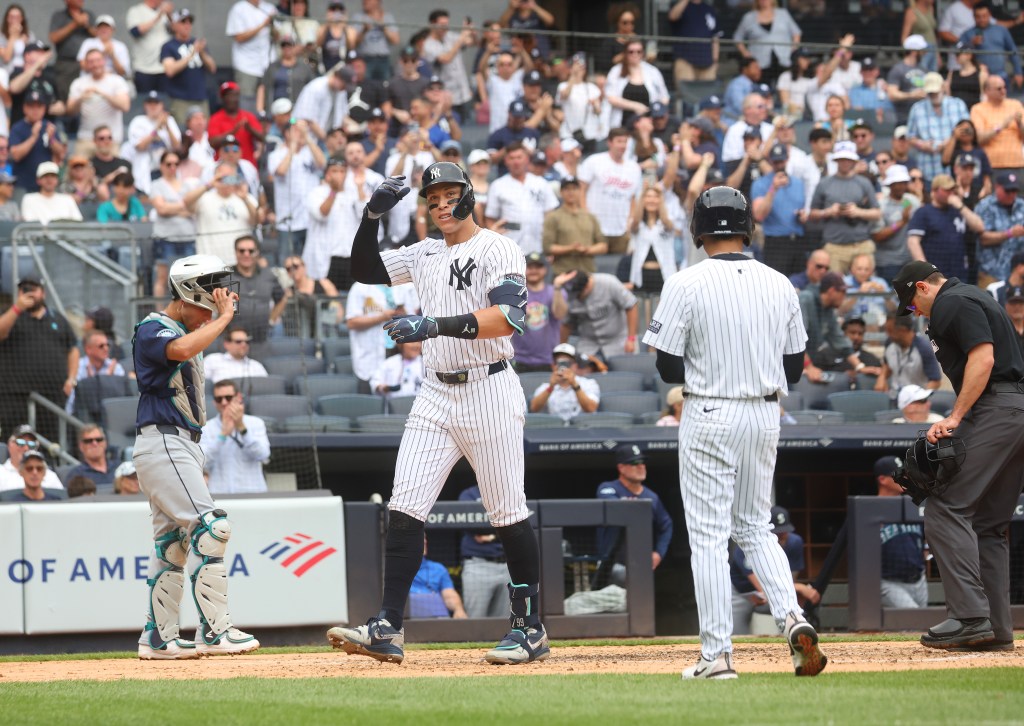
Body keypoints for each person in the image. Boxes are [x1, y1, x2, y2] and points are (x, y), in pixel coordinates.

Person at [327, 163, 549, 666]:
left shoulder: (497, 247)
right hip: (434, 393)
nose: (441, 204)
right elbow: (360, 271)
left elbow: (508, 319)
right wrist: (370, 216)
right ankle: (387, 625)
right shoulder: (425, 251)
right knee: (404, 506)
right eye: (433, 198)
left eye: (450, 194)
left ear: (469, 196)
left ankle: (529, 627)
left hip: (489, 387)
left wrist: (430, 325)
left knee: (507, 511)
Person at [642, 186, 825, 679]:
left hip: (710, 412)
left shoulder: (684, 282)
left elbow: (665, 368)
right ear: (747, 228)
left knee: (708, 535)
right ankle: (792, 617)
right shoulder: (780, 283)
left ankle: (717, 656)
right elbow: (794, 369)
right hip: (766, 414)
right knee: (756, 526)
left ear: (699, 230)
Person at [891, 259, 1024, 650]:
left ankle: (969, 617)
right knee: (987, 523)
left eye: (912, 304)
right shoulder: (973, 295)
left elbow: (983, 359)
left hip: (996, 409)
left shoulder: (952, 301)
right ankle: (997, 629)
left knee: (945, 507)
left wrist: (957, 416)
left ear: (922, 287)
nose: (913, 312)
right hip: (1013, 411)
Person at [133, 253, 259, 659]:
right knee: (211, 529)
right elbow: (179, 348)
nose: (211, 312)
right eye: (205, 303)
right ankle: (215, 631)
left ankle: (159, 638)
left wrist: (215, 318)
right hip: (164, 441)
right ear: (187, 295)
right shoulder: (154, 327)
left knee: (173, 544)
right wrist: (223, 320)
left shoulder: (183, 328)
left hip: (179, 443)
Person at [0, 278, 78, 443]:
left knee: (52, 443)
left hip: (52, 393)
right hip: (15, 395)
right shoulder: (10, 315)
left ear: (43, 292)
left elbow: (73, 349)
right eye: (24, 290)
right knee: (17, 441)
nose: (29, 293)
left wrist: (71, 378)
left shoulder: (57, 319)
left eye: (33, 289)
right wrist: (17, 308)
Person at [731, 506, 818, 635]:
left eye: (785, 530)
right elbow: (762, 587)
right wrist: (799, 587)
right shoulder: (748, 545)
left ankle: (792, 637)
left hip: (770, 592)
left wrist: (797, 593)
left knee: (796, 604)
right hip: (742, 593)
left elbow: (788, 582)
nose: (782, 535)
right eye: (777, 531)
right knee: (736, 636)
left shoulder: (794, 543)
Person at [595, 444, 673, 582]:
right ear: (621, 468)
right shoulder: (608, 488)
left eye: (642, 462)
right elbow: (614, 507)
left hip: (639, 564)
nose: (641, 466)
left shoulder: (652, 497)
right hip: (610, 563)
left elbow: (666, 525)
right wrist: (633, 503)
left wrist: (658, 553)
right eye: (634, 463)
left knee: (640, 603)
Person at [806, 140, 881, 275]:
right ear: (836, 160)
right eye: (841, 159)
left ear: (854, 161)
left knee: (866, 287)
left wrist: (858, 212)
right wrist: (828, 212)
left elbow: (877, 213)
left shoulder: (864, 183)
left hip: (861, 244)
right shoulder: (825, 183)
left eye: (848, 159)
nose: (845, 162)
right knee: (835, 286)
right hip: (835, 246)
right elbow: (812, 214)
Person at [484, 141, 558, 256]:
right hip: (509, 249)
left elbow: (550, 215)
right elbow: (490, 218)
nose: (516, 161)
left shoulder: (541, 183)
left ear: (527, 159)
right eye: (512, 158)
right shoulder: (497, 185)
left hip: (538, 246)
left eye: (519, 157)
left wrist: (550, 245)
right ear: (506, 161)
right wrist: (496, 241)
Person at [905, 173, 984, 280]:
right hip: (936, 274)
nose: (951, 193)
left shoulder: (958, 210)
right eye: (947, 190)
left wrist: (960, 206)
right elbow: (913, 242)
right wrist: (925, 270)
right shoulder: (924, 212)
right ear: (934, 191)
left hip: (959, 274)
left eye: (953, 190)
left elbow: (979, 227)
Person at [873, 455, 928, 608]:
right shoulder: (870, 509)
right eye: (898, 474)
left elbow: (924, 537)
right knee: (915, 620)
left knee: (920, 626)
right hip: (889, 581)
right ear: (883, 479)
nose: (905, 477)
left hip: (918, 580)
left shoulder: (913, 505)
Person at [577, 128, 642, 255]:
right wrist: (585, 215)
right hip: (595, 227)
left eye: (625, 142)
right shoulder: (594, 161)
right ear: (610, 143)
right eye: (619, 141)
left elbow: (633, 197)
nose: (622, 145)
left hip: (621, 229)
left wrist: (631, 219)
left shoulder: (634, 168)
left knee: (619, 268)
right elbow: (581, 189)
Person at [200, 379, 270, 495]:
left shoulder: (256, 423)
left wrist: (242, 428)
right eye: (219, 399)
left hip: (254, 493)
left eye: (228, 397)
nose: (223, 402)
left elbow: (263, 454)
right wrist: (222, 435)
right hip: (220, 494)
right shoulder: (206, 428)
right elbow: (203, 462)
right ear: (214, 402)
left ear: (238, 397)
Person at [184, 162, 259, 266]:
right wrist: (209, 185)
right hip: (209, 263)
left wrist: (245, 198)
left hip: (239, 263)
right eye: (223, 177)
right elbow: (187, 201)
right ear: (215, 177)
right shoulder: (205, 197)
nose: (227, 182)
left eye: (231, 177)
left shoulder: (246, 197)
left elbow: (257, 220)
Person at [800, 272, 869, 378]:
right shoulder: (806, 299)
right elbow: (796, 338)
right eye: (842, 292)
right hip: (784, 363)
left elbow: (840, 341)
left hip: (801, 364)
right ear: (831, 291)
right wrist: (809, 367)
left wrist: (859, 366)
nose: (844, 296)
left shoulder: (828, 310)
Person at [752, 143, 806, 276]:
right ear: (770, 161)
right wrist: (773, 189)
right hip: (775, 242)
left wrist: (803, 215)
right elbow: (759, 215)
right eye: (775, 162)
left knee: (798, 284)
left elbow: (802, 208)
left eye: (781, 161)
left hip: (797, 240)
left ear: (787, 159)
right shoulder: (760, 184)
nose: (779, 165)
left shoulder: (798, 183)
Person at [906, 72, 970, 184]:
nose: (933, 95)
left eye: (936, 92)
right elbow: (910, 137)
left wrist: (950, 141)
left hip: (955, 166)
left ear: (943, 87)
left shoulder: (958, 104)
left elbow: (968, 130)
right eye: (930, 93)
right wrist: (922, 144)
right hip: (927, 166)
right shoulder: (917, 109)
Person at [562, 269, 639, 359]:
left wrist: (631, 339)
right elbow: (566, 324)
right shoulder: (570, 295)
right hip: (588, 344)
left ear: (586, 287)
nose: (576, 298)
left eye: (578, 295)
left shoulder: (608, 283)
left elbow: (631, 306)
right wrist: (563, 349)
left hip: (618, 341)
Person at [150, 151, 197, 297]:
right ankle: (158, 315)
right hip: (165, 239)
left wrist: (171, 207)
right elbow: (161, 209)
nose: (172, 167)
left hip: (187, 238)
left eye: (176, 164)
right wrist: (183, 206)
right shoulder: (157, 185)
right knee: (162, 278)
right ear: (162, 166)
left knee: (189, 279)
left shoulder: (187, 185)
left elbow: (193, 210)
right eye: (168, 164)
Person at [458, 484, 509, 618]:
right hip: (478, 564)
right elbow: (473, 527)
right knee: (475, 619)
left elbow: (514, 525)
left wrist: (492, 536)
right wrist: (500, 532)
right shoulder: (470, 494)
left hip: (507, 565)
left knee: (504, 620)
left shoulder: (508, 491)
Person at [512, 252, 568, 374]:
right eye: (530, 267)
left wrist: (557, 287)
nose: (533, 271)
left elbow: (560, 315)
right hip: (519, 360)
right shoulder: (514, 293)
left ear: (546, 269)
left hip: (549, 360)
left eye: (538, 267)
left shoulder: (556, 291)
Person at [161, 9, 217, 127]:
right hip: (180, 99)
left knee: (204, 130)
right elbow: (170, 70)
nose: (187, 25)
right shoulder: (168, 46)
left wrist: (201, 53)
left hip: (200, 97)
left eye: (189, 22)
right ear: (174, 25)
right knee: (182, 131)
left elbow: (212, 68)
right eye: (183, 22)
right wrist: (191, 54)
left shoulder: (197, 43)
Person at [542, 176, 605, 276]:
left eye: (574, 188)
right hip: (563, 273)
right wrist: (570, 248)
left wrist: (586, 249)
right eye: (567, 189)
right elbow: (547, 247)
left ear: (580, 191)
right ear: (561, 192)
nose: (571, 192)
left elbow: (603, 246)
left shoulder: (590, 217)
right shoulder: (553, 217)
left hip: (588, 272)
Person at [67, 49, 131, 146]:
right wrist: (80, 99)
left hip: (111, 138)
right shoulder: (78, 83)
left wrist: (103, 94)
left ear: (104, 61)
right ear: (86, 64)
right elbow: (70, 111)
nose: (95, 65)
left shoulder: (117, 81)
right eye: (91, 62)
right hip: (86, 138)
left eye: (98, 60)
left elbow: (125, 106)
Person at [604, 37, 670, 132]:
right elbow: (610, 97)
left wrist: (654, 110)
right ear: (625, 53)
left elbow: (665, 97)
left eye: (638, 51)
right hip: (622, 126)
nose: (635, 54)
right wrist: (636, 106)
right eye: (631, 52)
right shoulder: (616, 71)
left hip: (648, 126)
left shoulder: (652, 71)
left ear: (643, 53)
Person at [974, 170, 1024, 288]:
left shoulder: (1022, 205)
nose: (1012, 194)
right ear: (997, 187)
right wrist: (1009, 233)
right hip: (991, 272)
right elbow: (983, 239)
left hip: (1017, 274)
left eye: (1014, 191)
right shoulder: (985, 206)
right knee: (990, 306)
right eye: (1008, 191)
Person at [9, 89, 65, 192]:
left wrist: (52, 139)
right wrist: (33, 137)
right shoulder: (17, 128)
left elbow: (61, 154)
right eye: (31, 106)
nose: (35, 110)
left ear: (44, 108)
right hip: (22, 184)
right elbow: (15, 155)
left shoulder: (49, 126)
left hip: (46, 185)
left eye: (39, 106)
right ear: (24, 108)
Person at [875, 314, 943, 399]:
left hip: (915, 399)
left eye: (890, 331)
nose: (887, 334)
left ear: (903, 330)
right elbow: (887, 364)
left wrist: (921, 399)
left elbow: (935, 381)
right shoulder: (889, 343)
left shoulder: (924, 349)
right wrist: (882, 377)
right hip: (893, 396)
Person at [529, 342, 600, 422]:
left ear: (575, 366)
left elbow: (591, 409)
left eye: (567, 363)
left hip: (583, 429)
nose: (563, 367)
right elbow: (534, 409)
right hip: (555, 431)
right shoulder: (546, 387)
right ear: (553, 366)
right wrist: (551, 387)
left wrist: (575, 385)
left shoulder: (589, 384)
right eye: (559, 363)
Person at [421, 10, 474, 118]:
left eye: (447, 24)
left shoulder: (450, 36)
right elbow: (446, 58)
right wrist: (461, 38)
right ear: (432, 24)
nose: (446, 28)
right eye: (442, 25)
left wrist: (469, 32)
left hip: (464, 92)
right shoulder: (428, 45)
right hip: (447, 96)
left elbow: (469, 42)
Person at [873, 164, 922, 280]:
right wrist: (901, 223)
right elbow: (877, 235)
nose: (902, 186)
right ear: (890, 185)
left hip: (909, 260)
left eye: (904, 182)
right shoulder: (882, 206)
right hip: (888, 262)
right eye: (898, 183)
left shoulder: (912, 201)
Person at [278, 255, 342, 339]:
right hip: (301, 337)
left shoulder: (324, 284)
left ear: (304, 267)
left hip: (326, 333)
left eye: (295, 266)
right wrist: (286, 299)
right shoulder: (288, 292)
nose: (292, 271)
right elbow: (279, 318)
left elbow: (338, 312)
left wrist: (323, 318)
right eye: (288, 269)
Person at [971, 76, 1024, 176]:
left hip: (1017, 163)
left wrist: (1020, 124)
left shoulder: (1016, 105)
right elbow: (979, 138)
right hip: (992, 164)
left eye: (1004, 87)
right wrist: (1001, 126)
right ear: (987, 91)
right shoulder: (978, 109)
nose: (1003, 91)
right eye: (999, 89)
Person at [959, 2, 1022, 85]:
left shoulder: (1001, 30)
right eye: (978, 16)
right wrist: (971, 44)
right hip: (978, 78)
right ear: (973, 17)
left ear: (990, 15)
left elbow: (1013, 51)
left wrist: (1018, 72)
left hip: (1001, 76)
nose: (981, 19)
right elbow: (959, 55)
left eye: (984, 16)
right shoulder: (967, 34)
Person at [227, 0, 277, 104]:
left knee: (268, 100)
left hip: (268, 62)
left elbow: (278, 37)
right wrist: (263, 25)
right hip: (246, 64)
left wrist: (273, 26)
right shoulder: (238, 9)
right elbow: (239, 37)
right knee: (246, 101)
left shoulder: (269, 8)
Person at [68, 329, 125, 415]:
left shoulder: (116, 367)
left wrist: (107, 379)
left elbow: (121, 400)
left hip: (112, 415)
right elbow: (73, 400)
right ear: (88, 349)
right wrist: (91, 381)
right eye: (101, 346)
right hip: (86, 417)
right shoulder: (78, 366)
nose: (106, 349)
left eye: (107, 345)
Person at [408, 537, 468, 619]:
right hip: (408, 616)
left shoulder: (438, 568)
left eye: (425, 538)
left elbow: (449, 595)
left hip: (436, 616)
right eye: (419, 536)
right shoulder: (393, 569)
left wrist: (458, 609)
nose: (425, 541)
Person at [48, 0, 95, 103]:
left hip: (88, 64)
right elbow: (53, 38)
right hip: (66, 64)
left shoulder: (88, 15)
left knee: (89, 95)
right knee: (66, 96)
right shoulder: (59, 16)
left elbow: (98, 36)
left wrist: (86, 25)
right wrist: (74, 24)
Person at [208, 81, 264, 166]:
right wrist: (233, 131)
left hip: (246, 166)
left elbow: (263, 138)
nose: (231, 98)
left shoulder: (248, 116)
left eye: (234, 95)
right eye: (228, 95)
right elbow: (212, 142)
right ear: (222, 98)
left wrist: (250, 129)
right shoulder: (215, 118)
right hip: (223, 167)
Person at [126, 0, 174, 95]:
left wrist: (169, 15)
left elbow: (176, 32)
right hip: (144, 68)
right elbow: (135, 32)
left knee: (164, 103)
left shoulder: (165, 13)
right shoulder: (136, 11)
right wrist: (158, 16)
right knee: (144, 102)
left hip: (164, 68)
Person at [668, 0, 720, 84]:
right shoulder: (680, 5)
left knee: (708, 94)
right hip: (685, 59)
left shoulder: (709, 9)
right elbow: (672, 16)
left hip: (707, 61)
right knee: (686, 94)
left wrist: (715, 61)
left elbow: (715, 38)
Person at [0, 425, 64, 491]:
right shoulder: (1, 473)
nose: (26, 448)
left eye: (31, 444)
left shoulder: (49, 476)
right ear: (10, 444)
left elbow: (63, 500)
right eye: (21, 443)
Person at [351, 0, 399, 81]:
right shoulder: (358, 17)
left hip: (383, 59)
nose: (365, 1)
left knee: (385, 86)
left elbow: (396, 40)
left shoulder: (387, 17)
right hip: (365, 59)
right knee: (366, 86)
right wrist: (364, 30)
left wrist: (384, 28)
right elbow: (353, 42)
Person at [203, 325, 269, 383]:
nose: (244, 344)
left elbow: (265, 387)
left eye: (246, 341)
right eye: (238, 341)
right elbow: (202, 385)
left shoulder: (256, 365)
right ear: (226, 344)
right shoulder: (212, 360)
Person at [887, 35, 928, 126]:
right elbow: (892, 94)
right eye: (922, 50)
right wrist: (912, 95)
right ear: (914, 52)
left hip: (923, 117)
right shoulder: (898, 69)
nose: (925, 53)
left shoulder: (924, 69)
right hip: (904, 118)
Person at [76, 14, 129, 79]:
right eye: (101, 27)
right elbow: (83, 66)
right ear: (96, 29)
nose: (104, 30)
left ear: (113, 29)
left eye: (107, 27)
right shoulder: (88, 43)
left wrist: (113, 56)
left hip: (112, 82)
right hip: (90, 81)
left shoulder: (120, 46)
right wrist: (102, 54)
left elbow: (123, 72)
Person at [64, 424, 114, 493]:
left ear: (105, 443)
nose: (94, 443)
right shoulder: (75, 476)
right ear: (81, 446)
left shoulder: (119, 469)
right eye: (89, 441)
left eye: (99, 440)